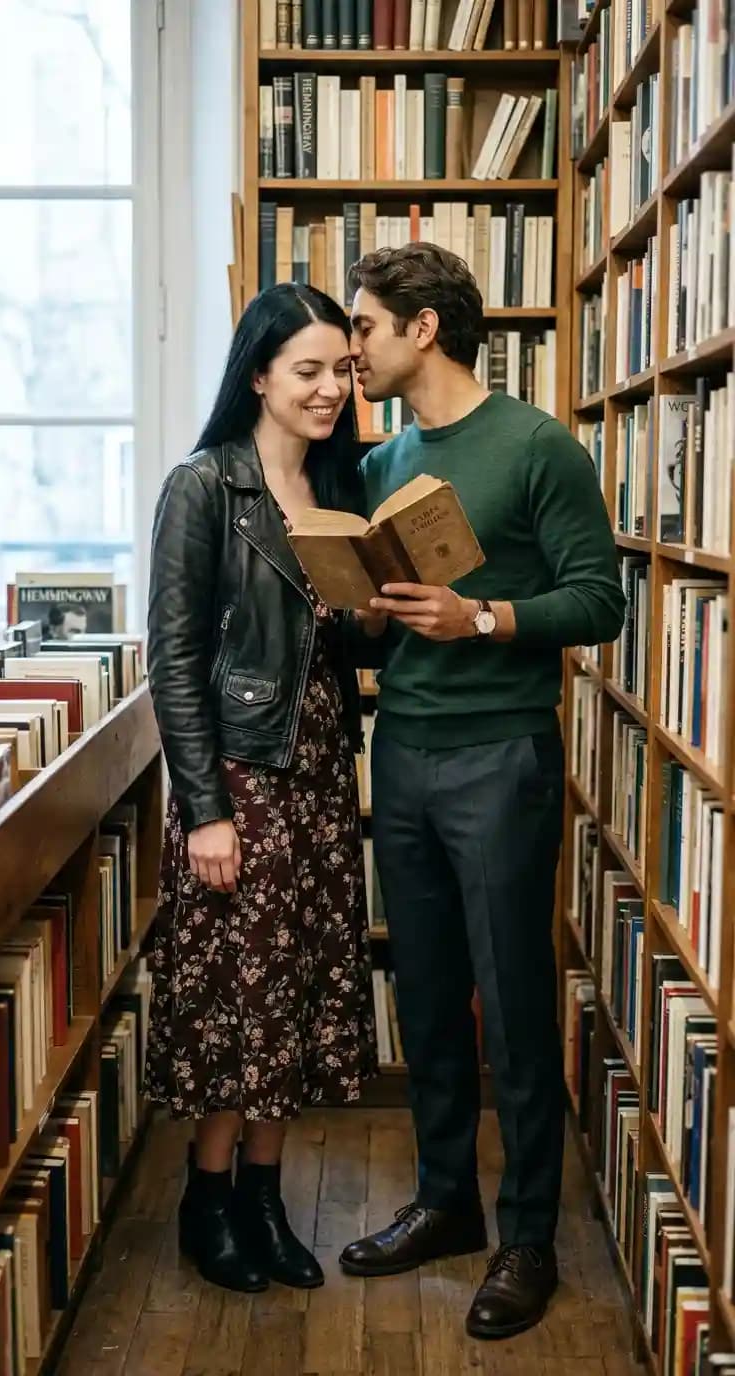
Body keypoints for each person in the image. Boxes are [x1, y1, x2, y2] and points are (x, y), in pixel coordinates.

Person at [338, 244, 625, 1340]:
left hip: (501, 755)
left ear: (422, 328)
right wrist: (369, 610)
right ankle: (446, 1199)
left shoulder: (538, 446)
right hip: (401, 749)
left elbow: (599, 599)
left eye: (365, 325)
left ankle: (528, 1236)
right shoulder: (383, 459)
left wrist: (486, 617)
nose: (353, 345)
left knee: (511, 1002)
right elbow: (394, 604)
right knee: (425, 993)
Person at [145, 282, 377, 1295]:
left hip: (321, 775)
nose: (331, 389)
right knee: (231, 1005)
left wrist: (381, 601)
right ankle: (208, 1200)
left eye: (341, 369)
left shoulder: (344, 485)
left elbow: (349, 643)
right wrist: (205, 809)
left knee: (298, 996)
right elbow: (177, 657)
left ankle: (266, 1199)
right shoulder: (204, 486)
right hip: (240, 775)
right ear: (258, 375)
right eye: (308, 371)